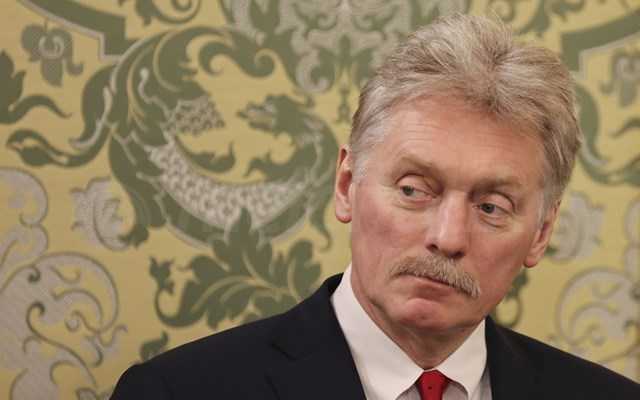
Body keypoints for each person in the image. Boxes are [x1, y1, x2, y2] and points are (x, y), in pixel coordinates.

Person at [110, 13, 640, 400]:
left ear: (541, 233)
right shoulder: (176, 391)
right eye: (414, 190)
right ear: (347, 185)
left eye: (491, 207)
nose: (448, 238)